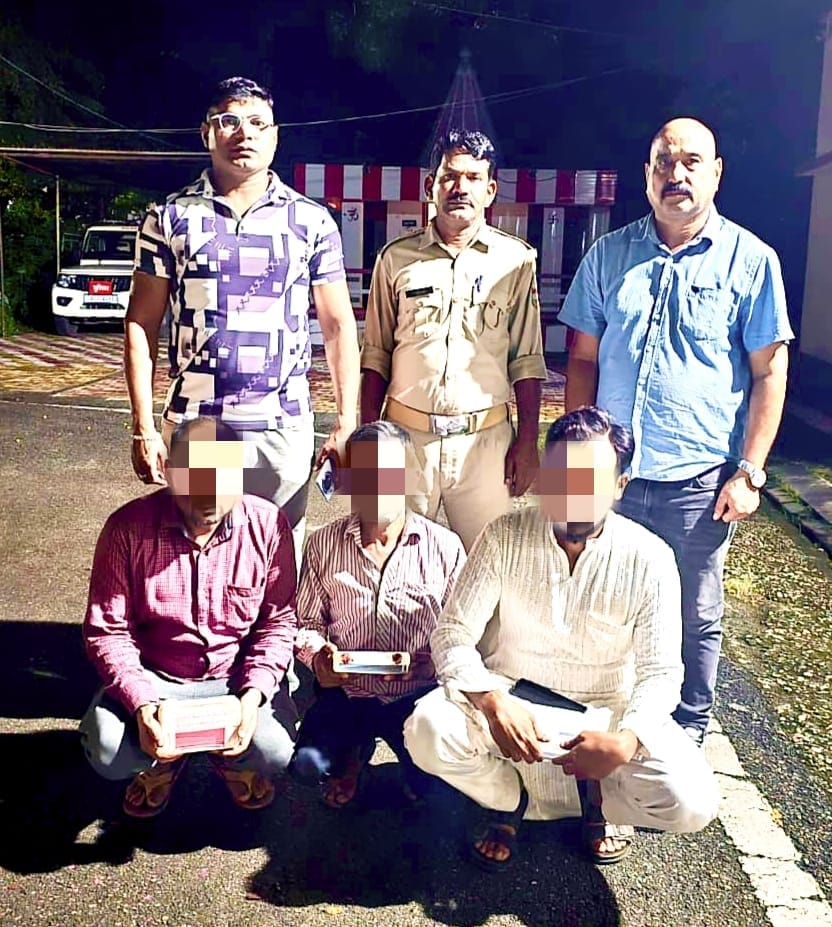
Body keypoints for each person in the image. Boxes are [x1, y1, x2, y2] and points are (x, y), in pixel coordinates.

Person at [559, 117, 794, 746]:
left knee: (694, 611)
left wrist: (750, 473)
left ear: (716, 173)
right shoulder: (609, 255)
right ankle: (602, 723)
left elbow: (769, 372)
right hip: (611, 476)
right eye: (664, 162)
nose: (676, 175)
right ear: (646, 175)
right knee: (601, 599)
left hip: (699, 480)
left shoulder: (751, 261)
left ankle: (685, 732)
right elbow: (582, 360)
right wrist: (576, 457)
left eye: (692, 162)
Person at [404, 407, 718, 869]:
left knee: (693, 800)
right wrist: (491, 701)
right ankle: (510, 800)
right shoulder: (504, 535)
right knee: (425, 730)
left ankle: (599, 803)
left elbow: (662, 672)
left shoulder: (650, 557)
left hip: (605, 715)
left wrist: (626, 742)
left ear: (619, 486)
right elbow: (452, 634)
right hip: (514, 700)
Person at [125, 76, 359, 558]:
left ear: (275, 136)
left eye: (257, 123)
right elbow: (141, 326)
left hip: (281, 426)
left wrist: (346, 420)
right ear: (206, 133)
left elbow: (337, 327)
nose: (243, 133)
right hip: (198, 422)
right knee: (195, 556)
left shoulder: (311, 221)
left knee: (277, 561)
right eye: (229, 121)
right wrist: (143, 427)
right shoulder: (168, 217)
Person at [79, 417, 298, 818]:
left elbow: (277, 623)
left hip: (234, 678)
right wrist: (142, 705)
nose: (209, 493)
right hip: (157, 677)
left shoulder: (269, 525)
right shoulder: (126, 529)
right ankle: (163, 762)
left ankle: (230, 758)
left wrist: (252, 698)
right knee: (109, 750)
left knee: (277, 750)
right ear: (168, 471)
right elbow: (108, 632)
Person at [360, 128, 547, 550]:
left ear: (490, 190)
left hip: (485, 445)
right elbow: (375, 356)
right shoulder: (395, 259)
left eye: (473, 178)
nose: (460, 188)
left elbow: (527, 359)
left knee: (490, 562)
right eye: (449, 177)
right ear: (431, 186)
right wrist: (371, 441)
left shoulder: (516, 261)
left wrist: (527, 442)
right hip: (407, 441)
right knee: (395, 559)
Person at [291, 421, 466, 807]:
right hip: (347, 691)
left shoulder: (446, 547)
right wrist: (319, 658)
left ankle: (410, 763)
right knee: (307, 765)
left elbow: (463, 631)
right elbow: (306, 623)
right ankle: (352, 755)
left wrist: (434, 663)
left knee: (436, 790)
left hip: (416, 694)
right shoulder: (323, 544)